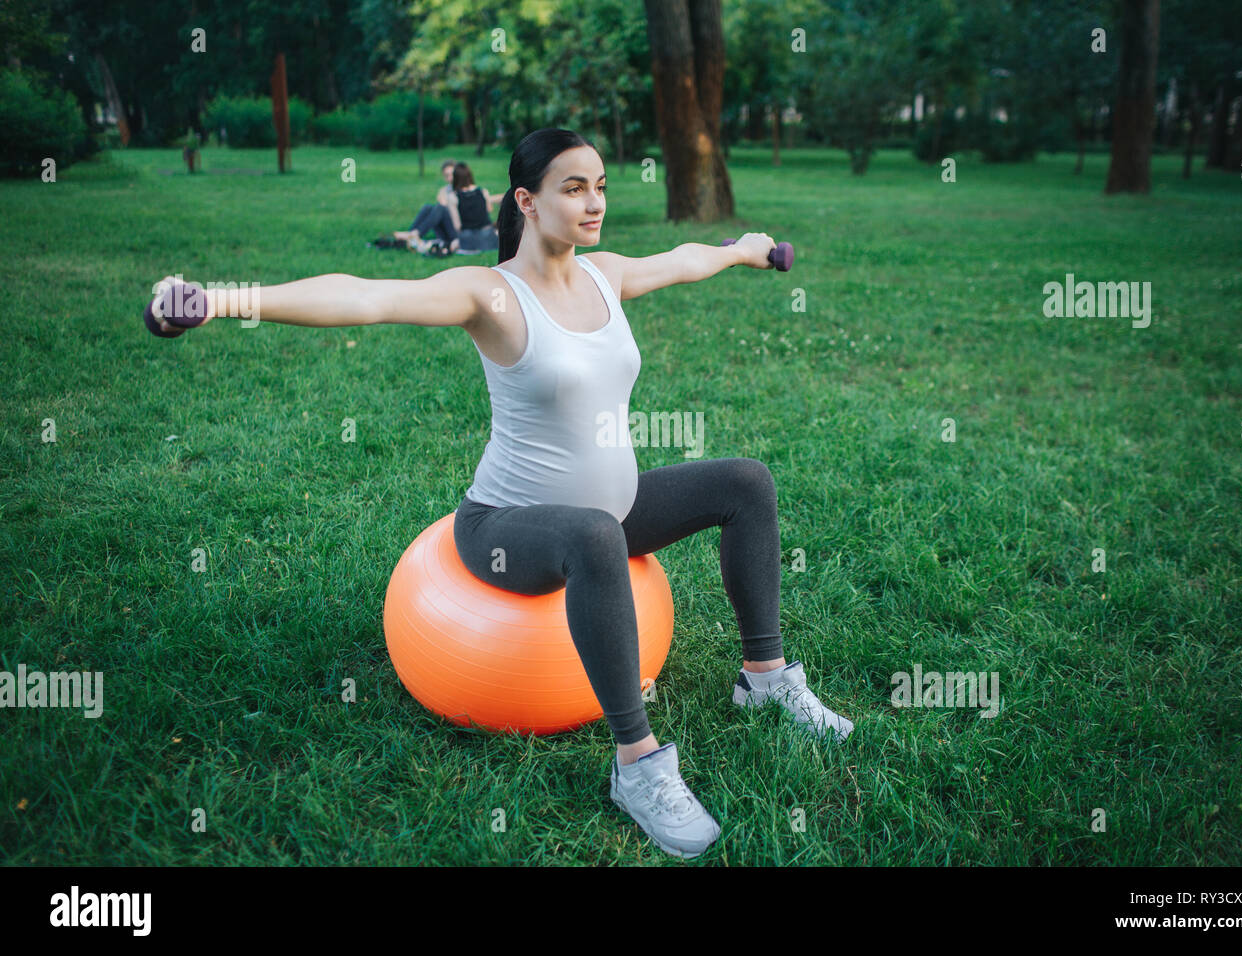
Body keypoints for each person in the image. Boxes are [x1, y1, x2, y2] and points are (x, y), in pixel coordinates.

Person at [146, 127, 854, 861]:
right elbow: (367, 297)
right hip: (504, 529)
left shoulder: (604, 277)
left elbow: (681, 260)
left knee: (745, 482)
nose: (594, 201)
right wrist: (219, 299)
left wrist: (743, 250)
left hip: (612, 503)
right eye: (573, 187)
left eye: (602, 185)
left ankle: (765, 679)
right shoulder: (490, 293)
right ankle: (638, 765)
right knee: (592, 536)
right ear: (527, 200)